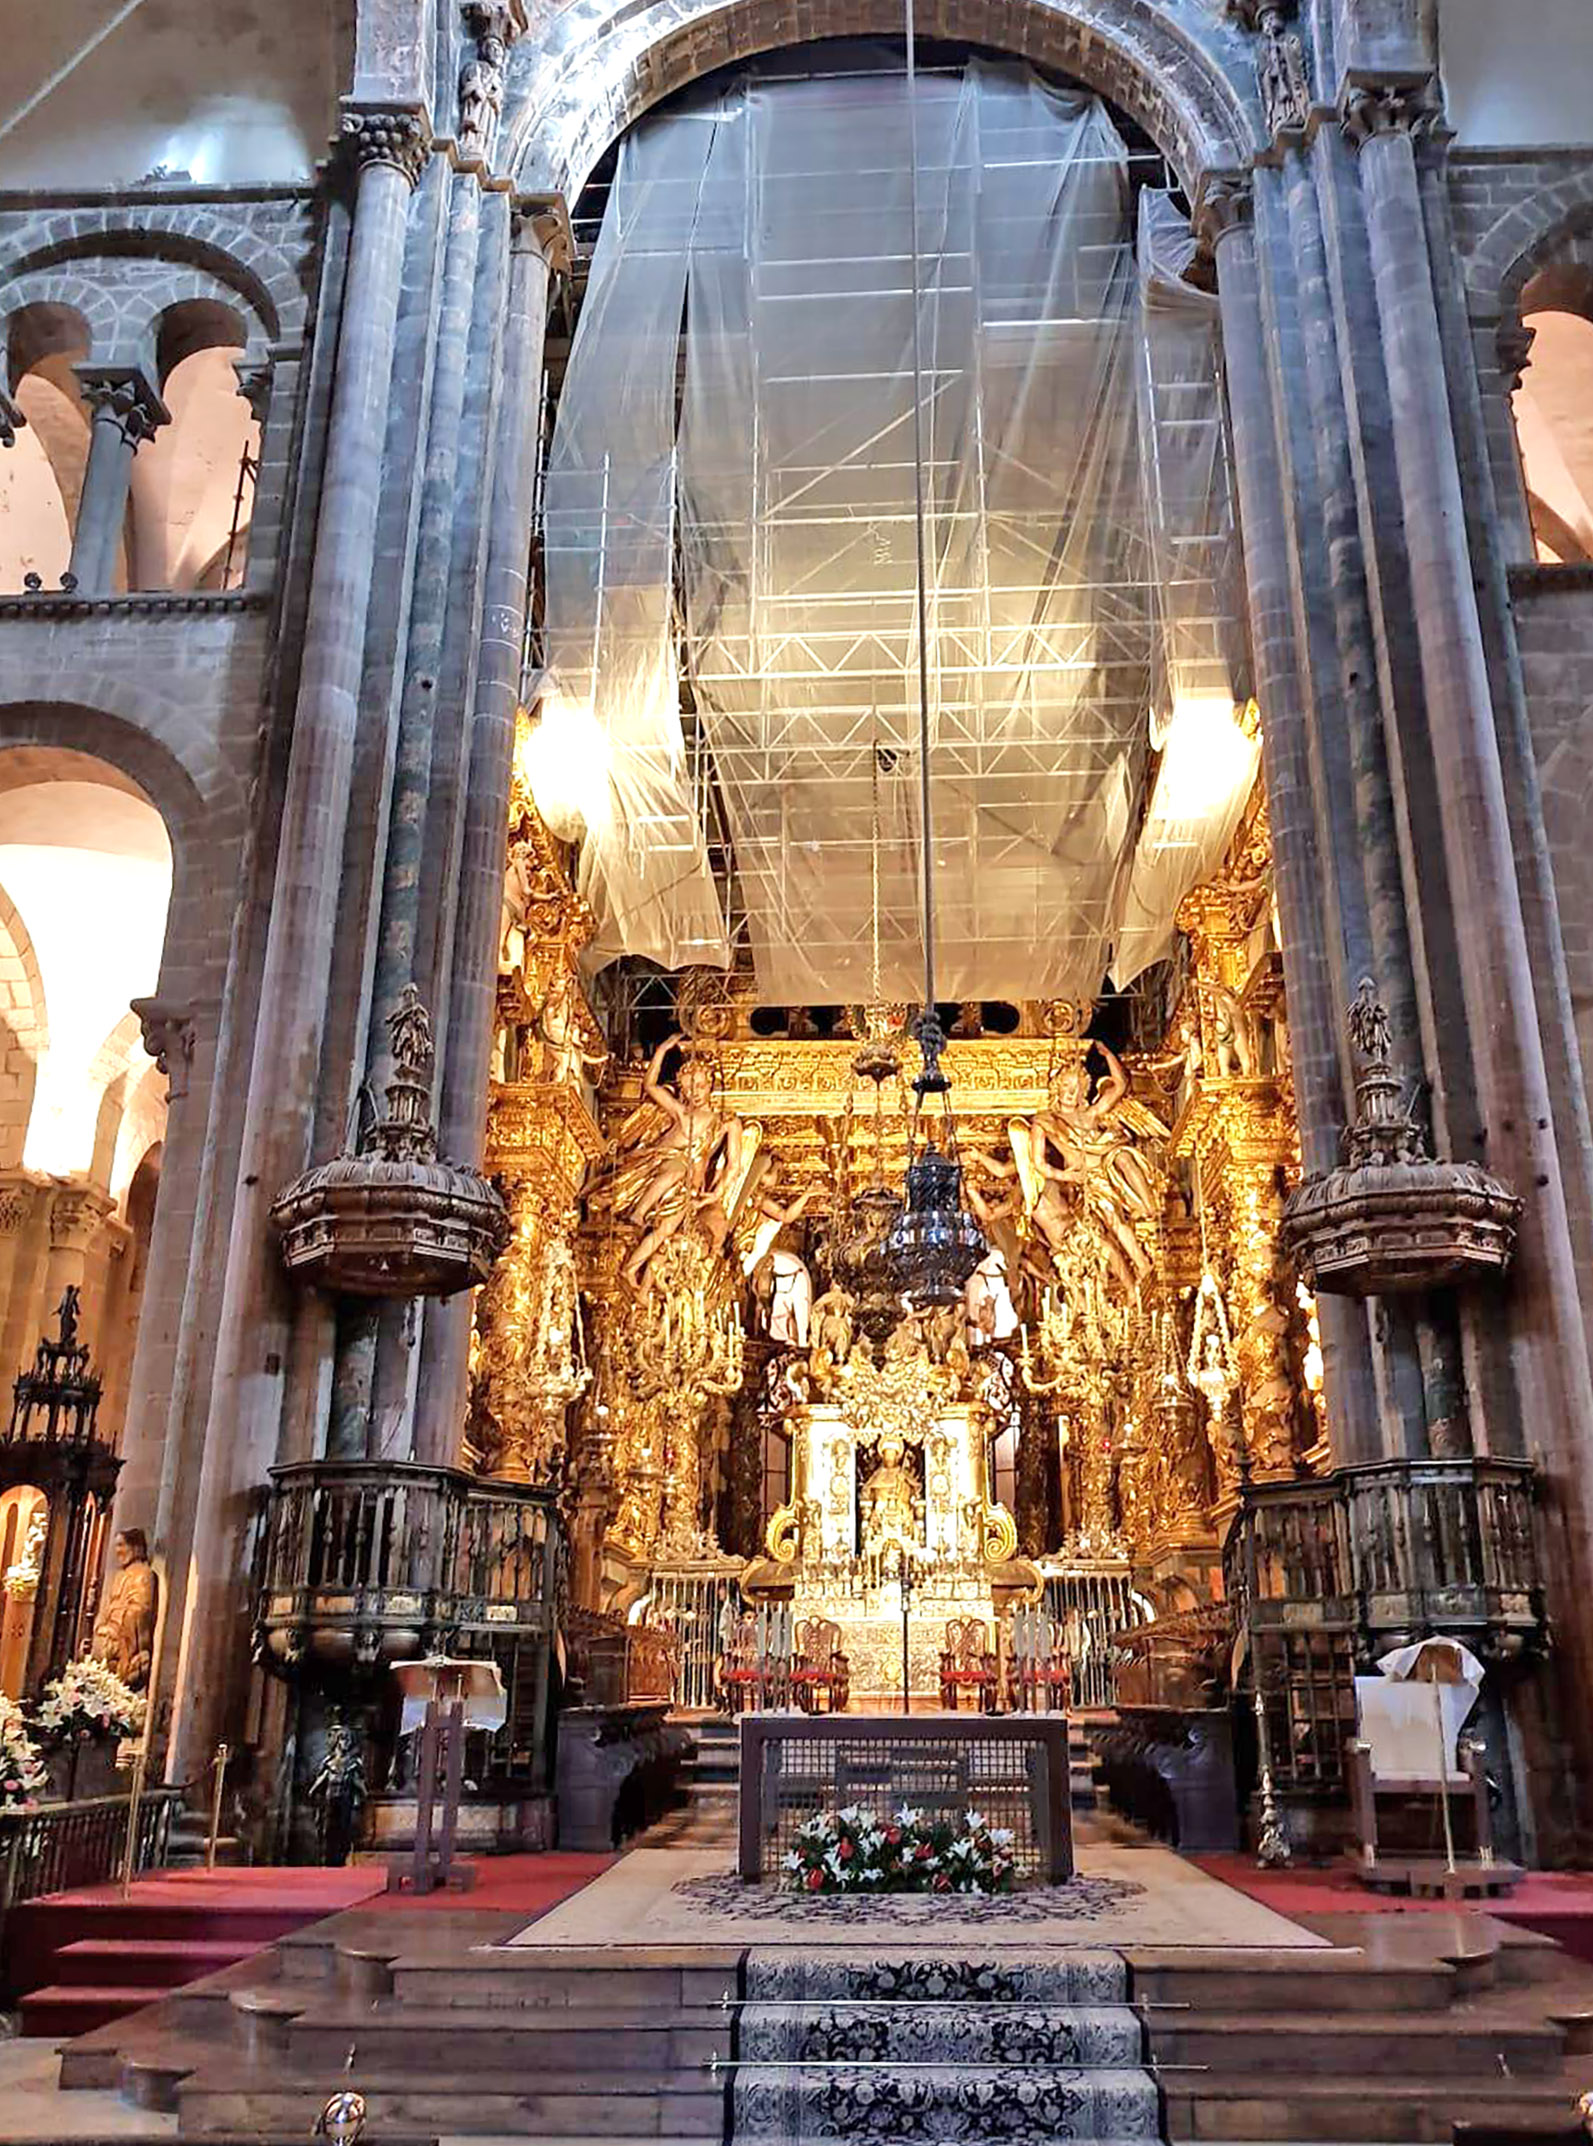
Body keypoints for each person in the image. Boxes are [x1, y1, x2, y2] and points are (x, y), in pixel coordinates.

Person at [91, 1528, 157, 1690]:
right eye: (116, 1546)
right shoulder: (120, 1575)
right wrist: (100, 1625)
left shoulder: (143, 1573)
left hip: (124, 1634)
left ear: (135, 1548)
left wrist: (117, 1629)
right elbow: (108, 1605)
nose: (117, 1551)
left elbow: (140, 1609)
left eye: (121, 1545)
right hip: (110, 1630)